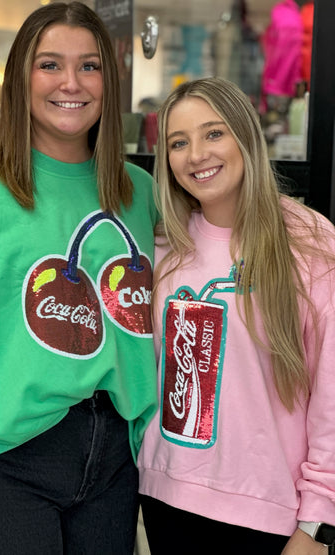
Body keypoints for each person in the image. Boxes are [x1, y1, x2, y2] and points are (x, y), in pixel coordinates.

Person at [0, 3, 158, 554]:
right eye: (49, 64)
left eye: (90, 66)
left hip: (115, 465)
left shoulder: (139, 193)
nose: (71, 83)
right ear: (20, 77)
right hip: (2, 465)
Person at [137, 77, 335, 554]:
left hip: (268, 514)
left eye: (213, 133)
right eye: (178, 143)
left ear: (245, 136)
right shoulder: (164, 243)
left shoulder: (309, 241)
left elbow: (331, 392)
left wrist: (317, 522)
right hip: (166, 499)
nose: (197, 154)